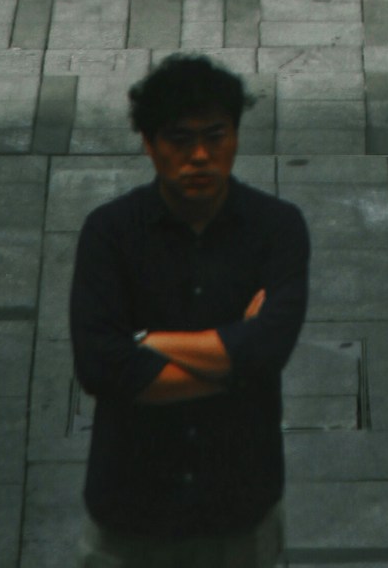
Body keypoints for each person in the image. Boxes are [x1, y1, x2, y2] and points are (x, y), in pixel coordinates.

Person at [68, 56, 308, 568]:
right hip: (132, 515)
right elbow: (100, 367)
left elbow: (268, 351)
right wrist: (234, 364)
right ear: (150, 146)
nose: (199, 155)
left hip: (238, 511)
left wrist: (142, 340)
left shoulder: (277, 229)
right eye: (179, 140)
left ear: (236, 138)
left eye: (215, 136)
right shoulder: (110, 234)